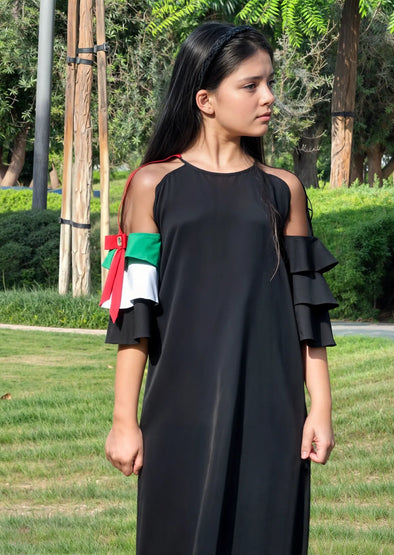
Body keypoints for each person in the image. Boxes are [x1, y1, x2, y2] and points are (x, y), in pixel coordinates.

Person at [100, 22, 338, 555]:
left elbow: (308, 312)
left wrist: (320, 406)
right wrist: (123, 421)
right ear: (205, 100)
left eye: (269, 82)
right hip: (178, 410)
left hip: (272, 410)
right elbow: (134, 314)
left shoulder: (284, 190)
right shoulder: (151, 186)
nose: (269, 97)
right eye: (251, 85)